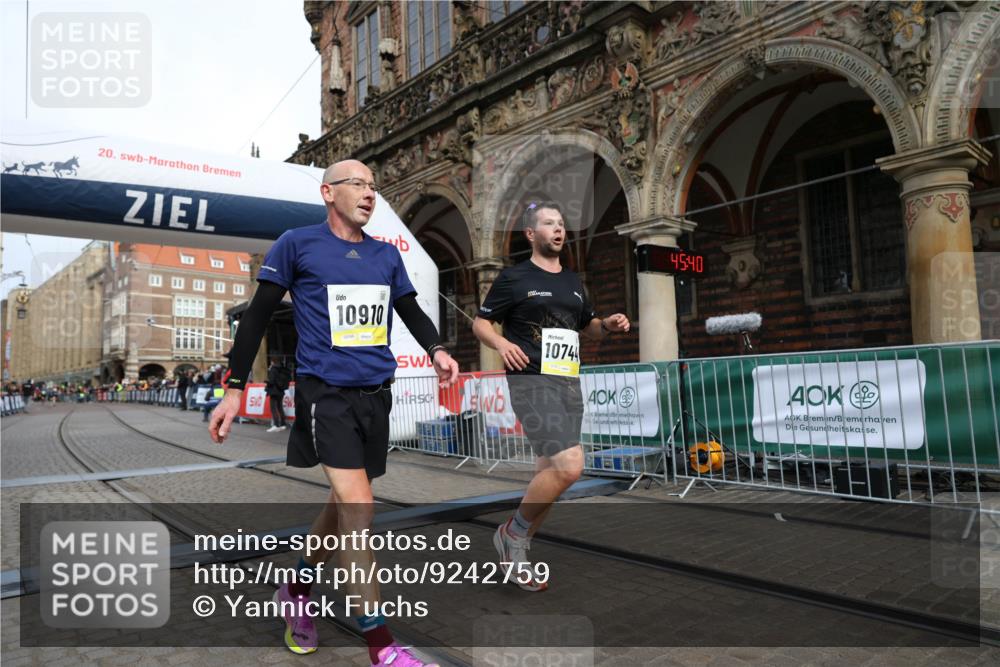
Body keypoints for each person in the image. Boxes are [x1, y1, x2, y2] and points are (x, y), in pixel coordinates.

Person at [208, 159, 458, 666]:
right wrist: (235, 387)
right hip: (326, 395)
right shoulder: (296, 244)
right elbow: (255, 318)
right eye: (358, 185)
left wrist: (436, 350)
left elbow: (408, 307)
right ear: (328, 192)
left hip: (375, 395)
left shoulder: (386, 256)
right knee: (361, 507)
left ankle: (297, 587)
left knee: (345, 504)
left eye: (373, 186)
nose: (369, 194)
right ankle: (382, 648)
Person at [472, 200, 630, 592]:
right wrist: (501, 343)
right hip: (530, 379)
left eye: (561, 224)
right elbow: (481, 322)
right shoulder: (514, 277)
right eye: (549, 224)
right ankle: (514, 533)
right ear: (531, 234)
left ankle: (518, 548)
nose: (558, 230)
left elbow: (587, 327)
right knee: (571, 466)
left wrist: (606, 325)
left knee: (549, 473)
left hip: (567, 382)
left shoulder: (573, 281)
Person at [265, 358, 291, 432]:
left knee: (273, 408)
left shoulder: (273, 369)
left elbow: (272, 380)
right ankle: (283, 424)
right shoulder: (283, 369)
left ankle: (276, 425)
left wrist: (267, 380)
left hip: (274, 391)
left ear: (273, 362)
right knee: (280, 407)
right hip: (281, 391)